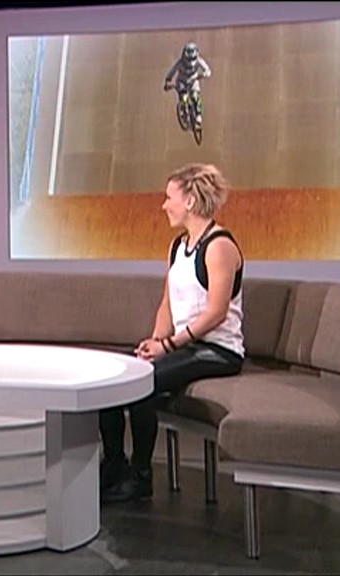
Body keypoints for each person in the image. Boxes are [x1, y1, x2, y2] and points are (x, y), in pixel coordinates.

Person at [100, 163, 245, 503]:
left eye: (169, 197)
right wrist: (154, 342)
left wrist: (168, 345)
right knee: (111, 378)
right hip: (184, 347)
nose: (164, 205)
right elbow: (167, 302)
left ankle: (141, 475)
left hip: (218, 351)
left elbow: (216, 313)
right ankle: (114, 465)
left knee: (141, 386)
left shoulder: (220, 246)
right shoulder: (178, 246)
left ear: (190, 201)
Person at [163, 42, 212, 125]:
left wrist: (203, 75)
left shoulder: (199, 61)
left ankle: (198, 115)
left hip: (193, 80)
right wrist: (168, 79)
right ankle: (184, 109)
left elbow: (207, 70)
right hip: (182, 81)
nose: (190, 62)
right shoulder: (180, 63)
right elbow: (173, 70)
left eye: (192, 59)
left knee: (196, 97)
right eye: (189, 59)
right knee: (183, 95)